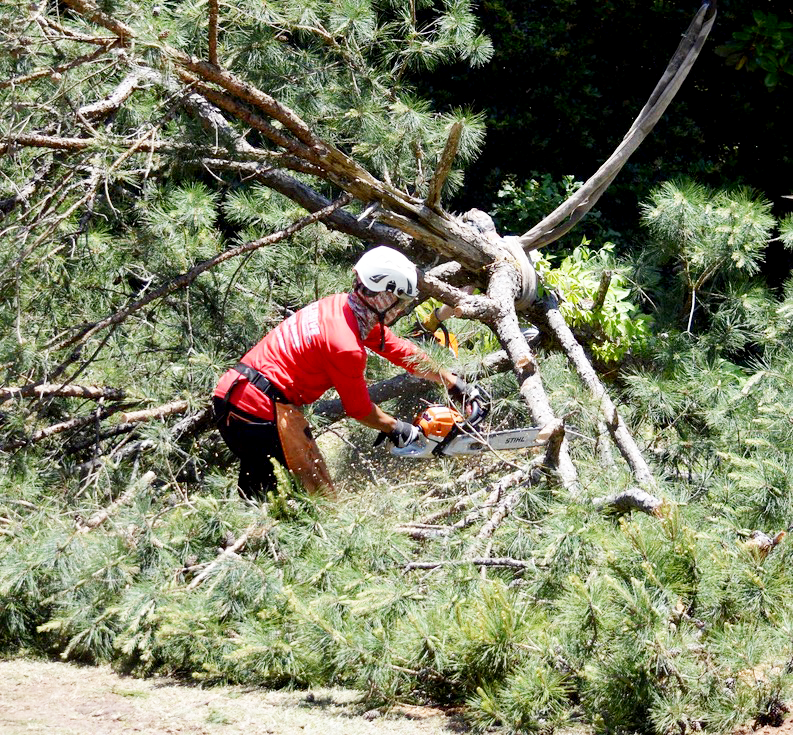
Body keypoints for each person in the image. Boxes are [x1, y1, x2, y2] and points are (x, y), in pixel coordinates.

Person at [213, 245, 479, 500]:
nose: (400, 308)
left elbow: (400, 350)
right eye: (400, 300)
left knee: (264, 493)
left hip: (241, 396)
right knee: (310, 499)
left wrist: (452, 382)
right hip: (258, 412)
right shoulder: (345, 345)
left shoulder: (345, 308)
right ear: (384, 295)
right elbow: (359, 408)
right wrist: (397, 428)